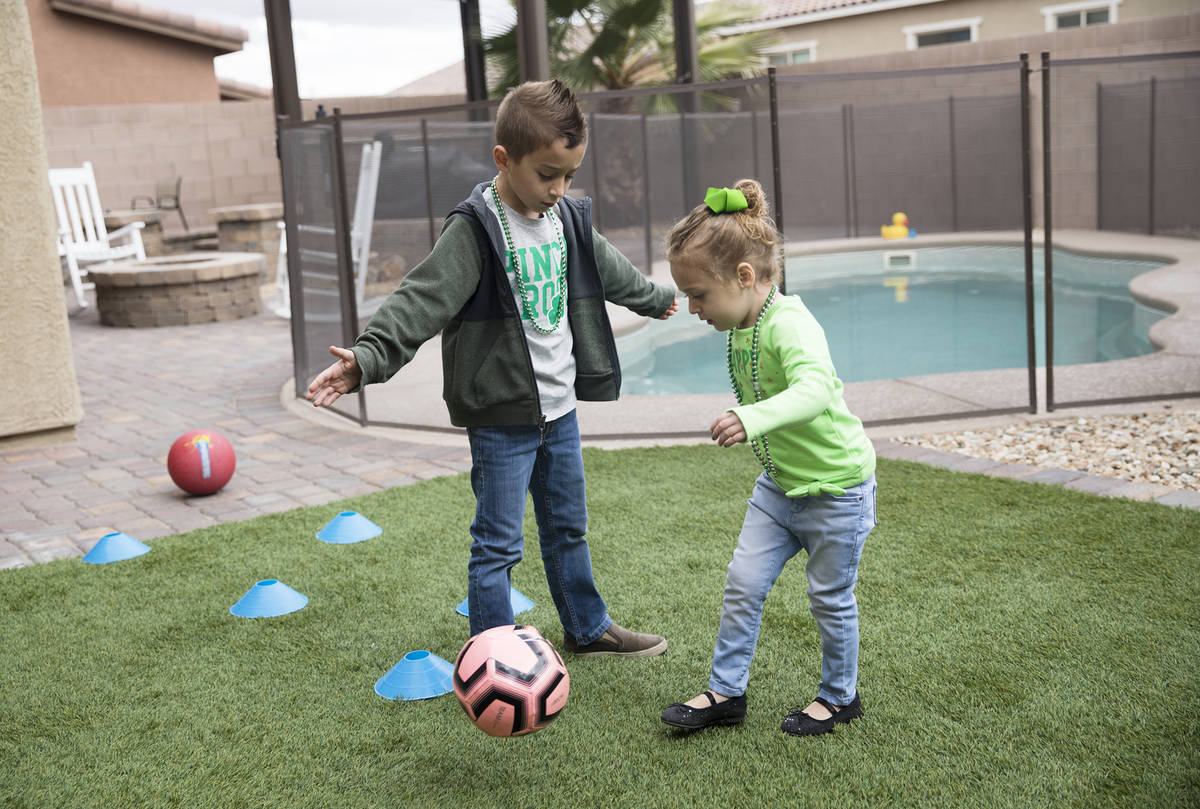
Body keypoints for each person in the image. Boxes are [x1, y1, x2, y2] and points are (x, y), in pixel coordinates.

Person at [306, 79, 678, 657]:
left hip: (560, 413)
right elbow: (420, 299)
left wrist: (655, 298)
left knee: (568, 530)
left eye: (569, 175)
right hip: (501, 416)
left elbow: (613, 270)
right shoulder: (475, 229)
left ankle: (586, 627)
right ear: (503, 159)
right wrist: (370, 356)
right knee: (498, 543)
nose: (558, 188)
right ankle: (491, 652)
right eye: (546, 174)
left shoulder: (570, 222)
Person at [658, 180, 877, 736]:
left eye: (699, 295)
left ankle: (839, 696)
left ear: (745, 277)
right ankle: (726, 692)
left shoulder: (791, 324)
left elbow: (817, 391)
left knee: (829, 600)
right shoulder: (741, 325)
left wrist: (751, 418)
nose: (693, 308)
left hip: (836, 490)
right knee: (743, 583)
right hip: (779, 488)